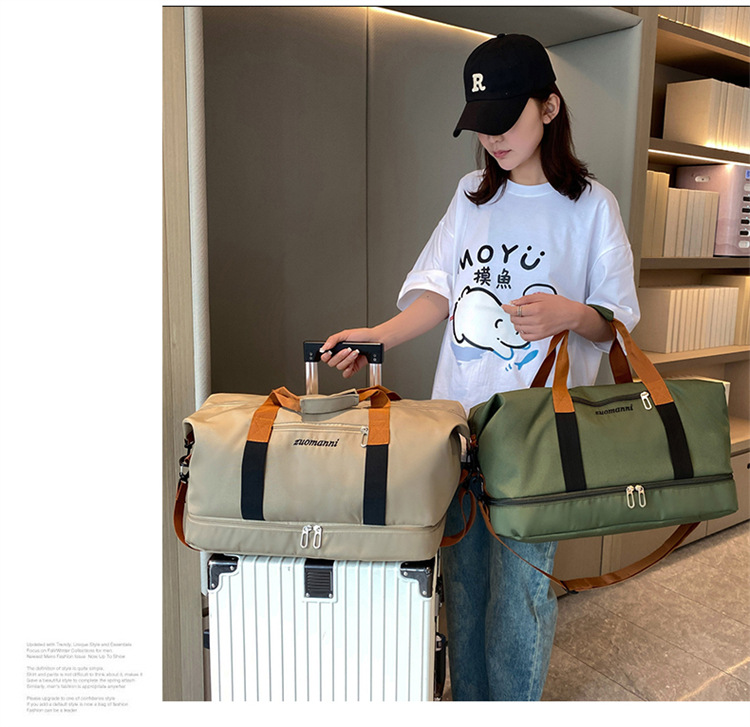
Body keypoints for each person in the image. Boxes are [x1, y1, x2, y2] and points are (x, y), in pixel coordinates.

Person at [320, 33, 640, 701]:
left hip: (538, 434)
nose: (492, 137)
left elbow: (615, 323)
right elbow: (440, 292)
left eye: (505, 118)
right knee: (461, 588)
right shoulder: (471, 194)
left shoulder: (592, 207)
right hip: (458, 428)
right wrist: (378, 336)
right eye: (481, 122)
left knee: (520, 596)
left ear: (549, 107)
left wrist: (571, 314)